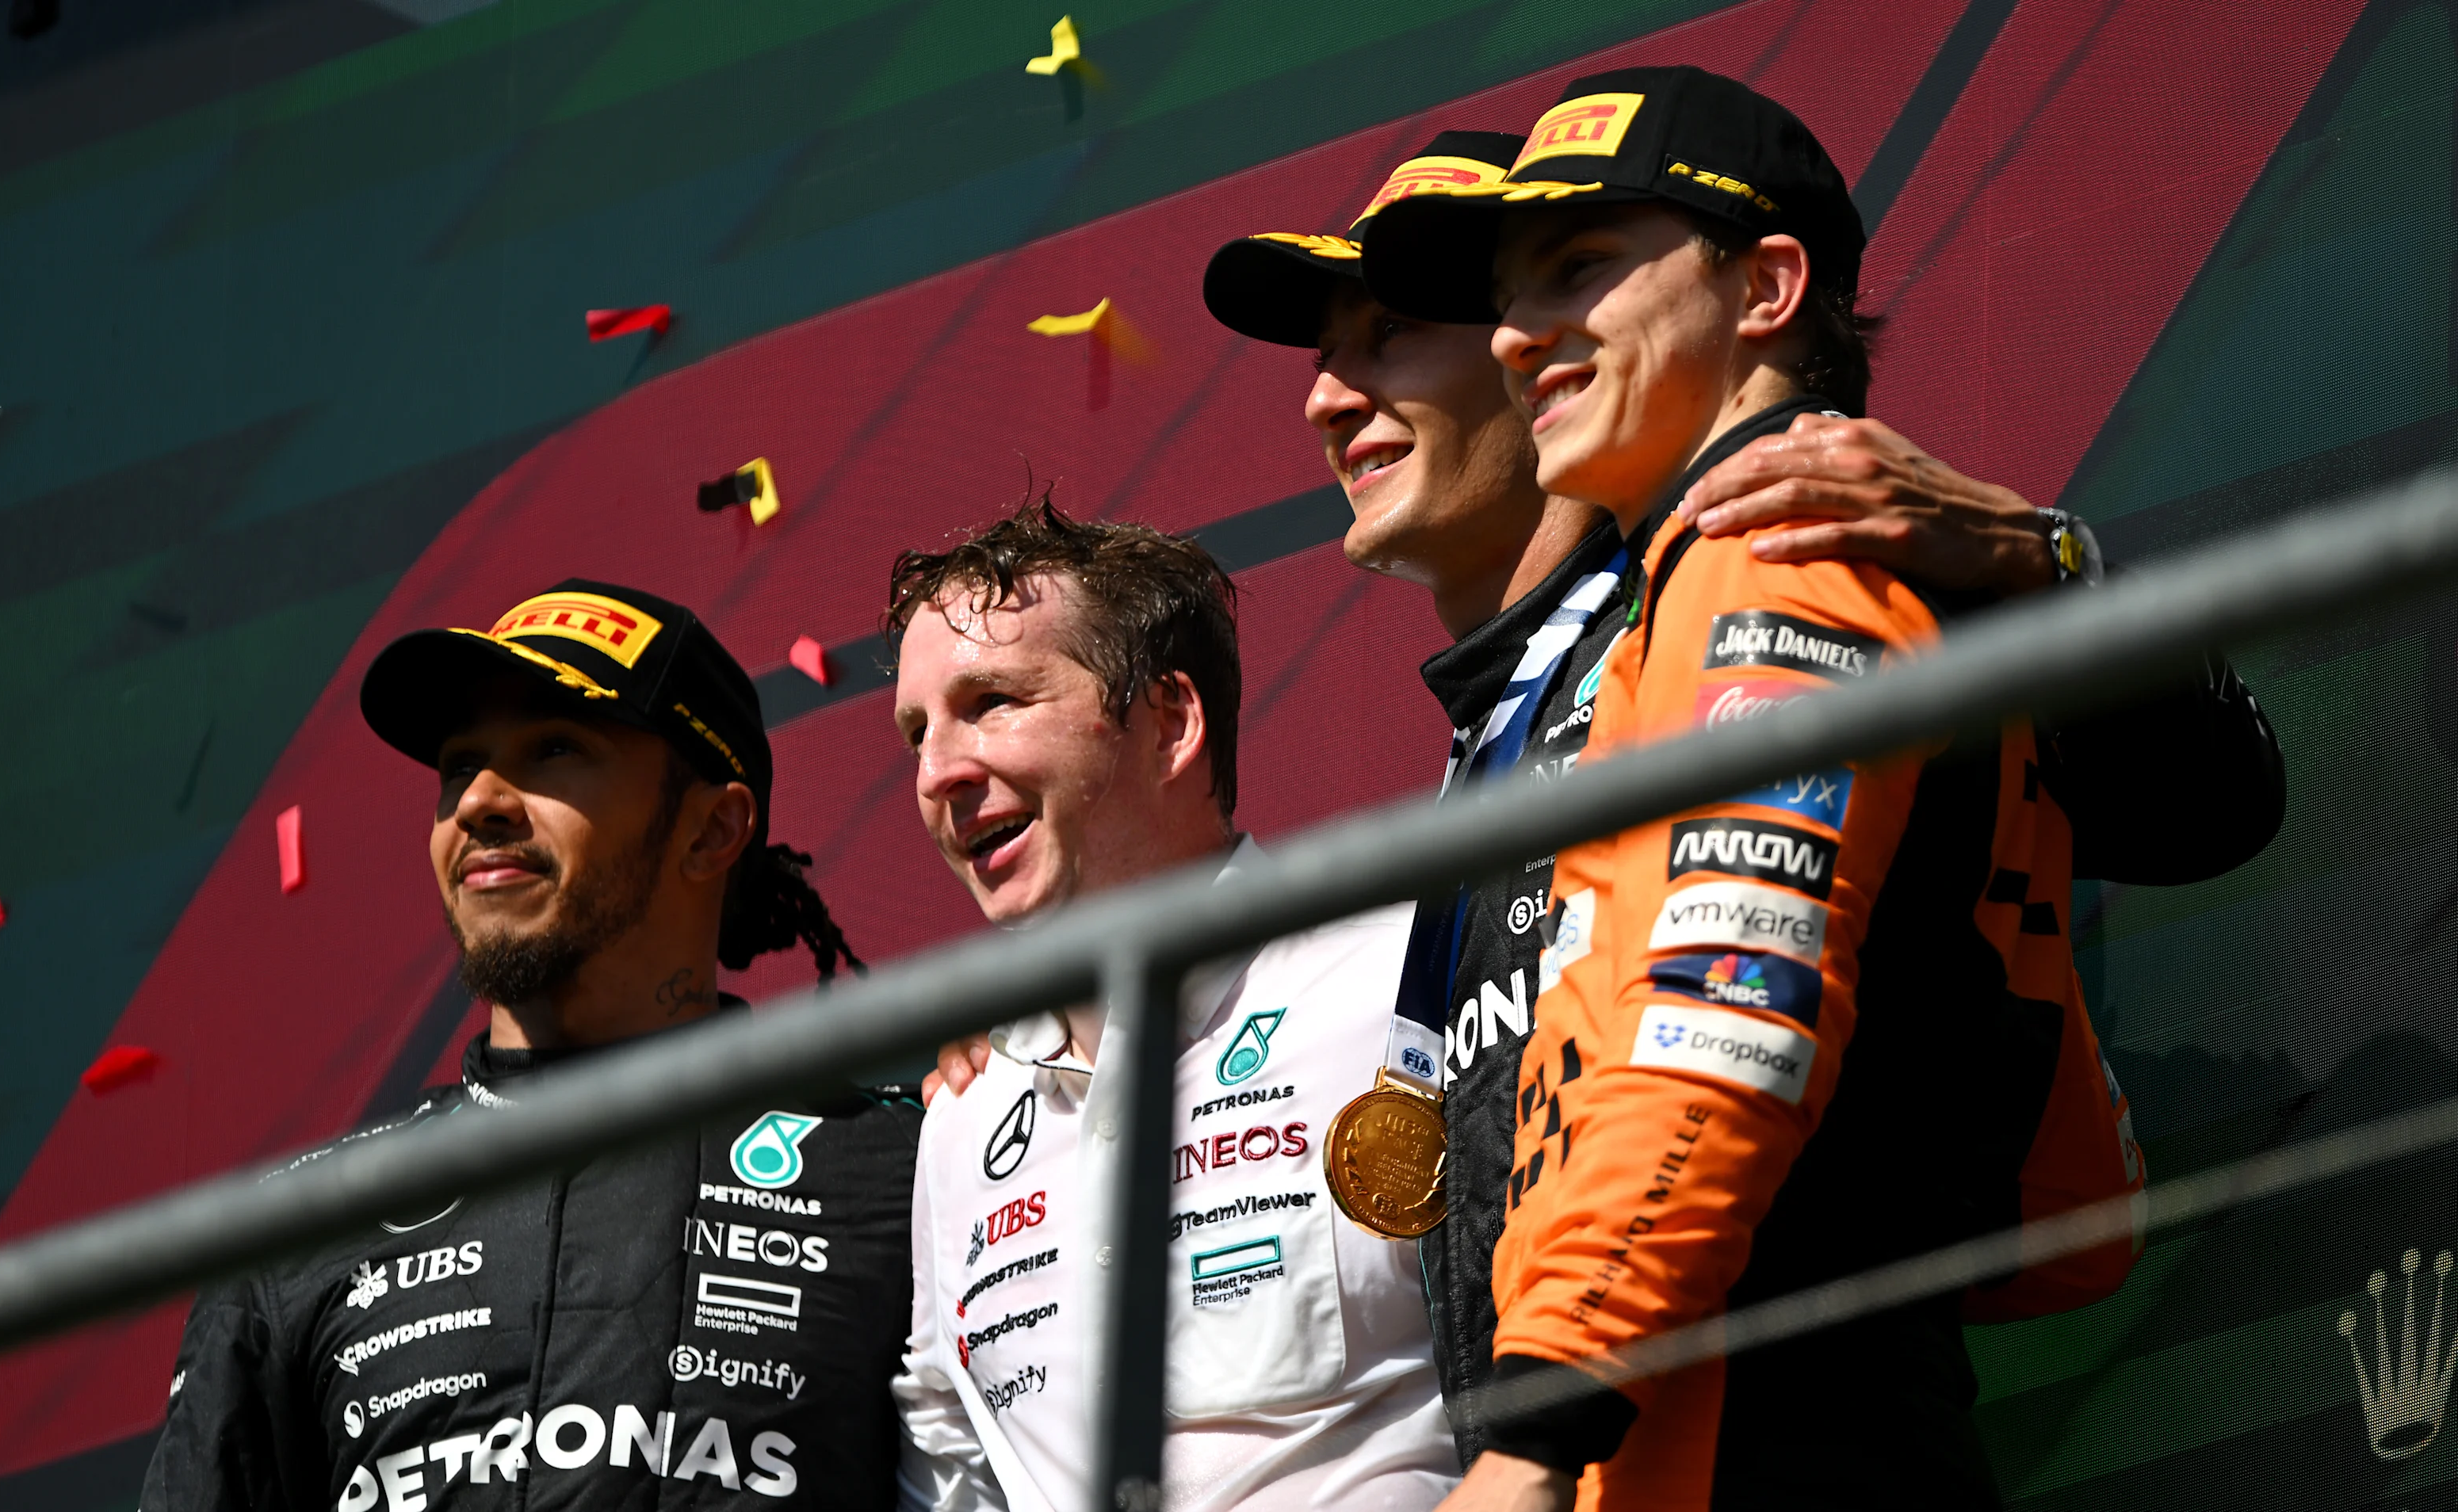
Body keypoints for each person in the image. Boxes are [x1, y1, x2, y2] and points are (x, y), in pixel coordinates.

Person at [1199, 118, 2282, 1469]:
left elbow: (2211, 806)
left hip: (1763, 1438)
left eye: (1389, 331)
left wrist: (2039, 555)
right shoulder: (1503, 736)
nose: (1325, 395)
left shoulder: (1777, 549)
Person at [142, 581, 919, 1510]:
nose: (477, 802)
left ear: (713, 827)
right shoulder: (292, 1234)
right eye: (457, 766)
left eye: (554, 750)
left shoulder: (907, 1173)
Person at [885, 504, 1458, 1510]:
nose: (937, 774)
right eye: (916, 733)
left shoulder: (1404, 978)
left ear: (1169, 721)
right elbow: (948, 1466)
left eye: (992, 702)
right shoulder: (961, 1120)